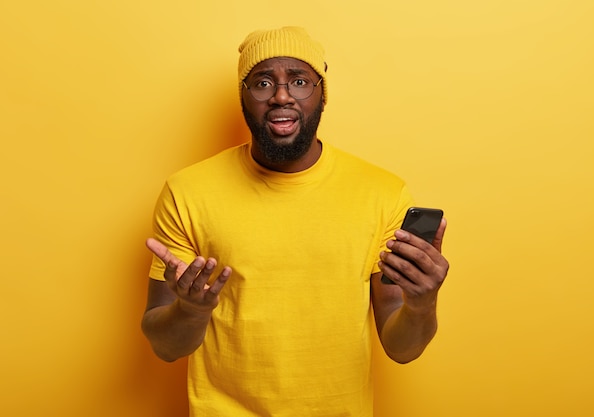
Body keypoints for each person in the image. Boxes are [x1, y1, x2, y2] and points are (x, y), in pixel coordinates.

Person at [141, 26, 449, 417]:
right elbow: (165, 348)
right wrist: (191, 310)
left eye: (299, 81)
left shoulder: (383, 194)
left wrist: (422, 304)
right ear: (243, 97)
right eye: (263, 82)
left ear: (322, 94)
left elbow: (402, 349)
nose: (281, 96)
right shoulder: (187, 192)